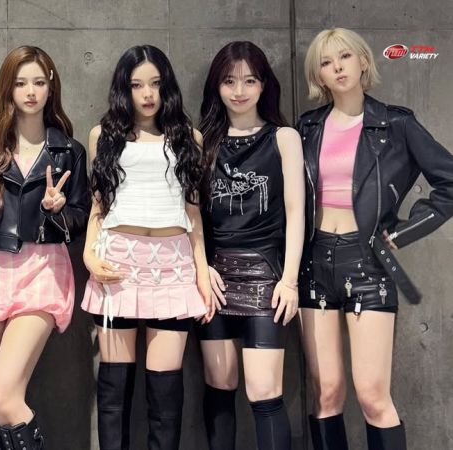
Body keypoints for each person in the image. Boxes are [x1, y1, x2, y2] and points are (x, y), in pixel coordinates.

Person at [297, 28, 453, 450]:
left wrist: (402, 232)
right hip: (314, 263)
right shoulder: (308, 127)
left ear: (363, 61)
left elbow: (449, 183)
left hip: (367, 262)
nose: (337, 67)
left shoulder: (396, 124)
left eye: (345, 56)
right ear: (319, 76)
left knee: (372, 395)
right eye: (326, 62)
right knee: (326, 394)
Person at [81, 44, 213, 450]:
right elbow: (99, 206)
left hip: (172, 266)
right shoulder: (103, 136)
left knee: (165, 394)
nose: (147, 93)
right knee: (113, 392)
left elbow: (193, 213)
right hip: (117, 263)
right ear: (124, 89)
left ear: (166, 86)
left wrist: (202, 272)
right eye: (137, 85)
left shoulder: (189, 138)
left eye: (155, 83)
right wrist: (88, 255)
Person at [0, 45, 89, 450]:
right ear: (7, 89)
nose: (30, 91)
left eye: (38, 82)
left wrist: (58, 210)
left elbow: (82, 219)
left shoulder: (69, 151)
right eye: (20, 83)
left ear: (51, 87)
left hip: (42, 270)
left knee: (3, 396)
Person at [194, 41, 305, 450]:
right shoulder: (201, 141)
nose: (239, 91)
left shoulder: (284, 138)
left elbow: (296, 212)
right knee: (219, 384)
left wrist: (289, 281)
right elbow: (191, 216)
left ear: (263, 85)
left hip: (265, 276)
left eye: (249, 80)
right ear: (216, 86)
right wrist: (201, 267)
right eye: (229, 81)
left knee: (264, 391)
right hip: (214, 278)